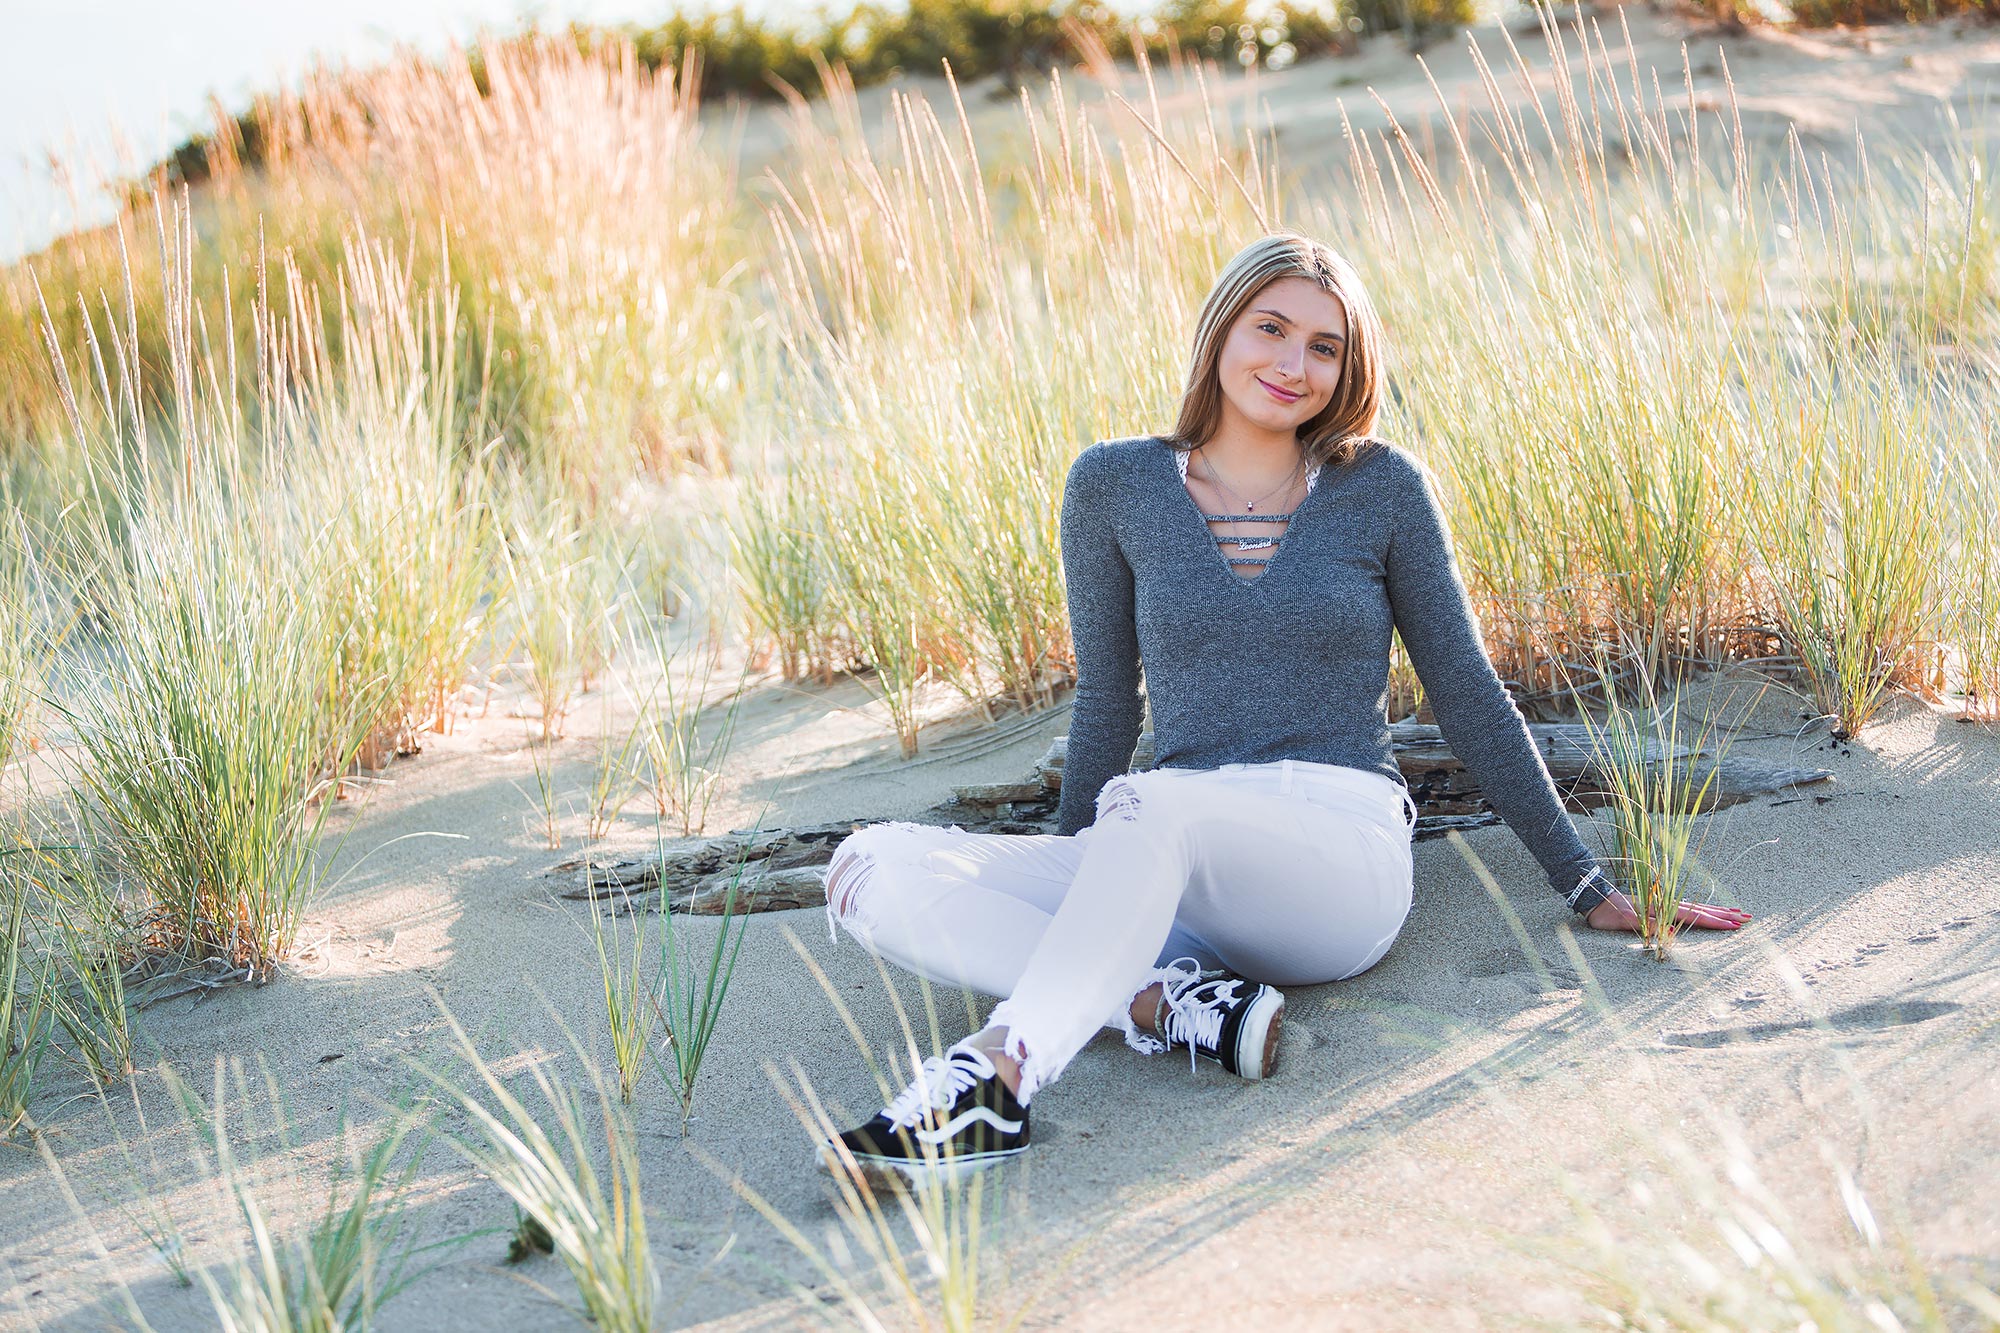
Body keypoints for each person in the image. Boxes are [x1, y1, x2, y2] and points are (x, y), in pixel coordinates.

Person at [814, 232, 1752, 1188]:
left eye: (1324, 345)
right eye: (1270, 328)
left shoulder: (1382, 489)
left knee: (1149, 803)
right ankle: (1168, 1003)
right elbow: (1106, 698)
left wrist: (1587, 886)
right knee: (864, 867)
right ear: (1222, 329)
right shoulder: (1113, 484)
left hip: (1335, 860)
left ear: (1349, 368)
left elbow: (1466, 689)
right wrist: (1075, 870)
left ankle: (996, 1083)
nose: (1291, 364)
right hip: (1164, 857)